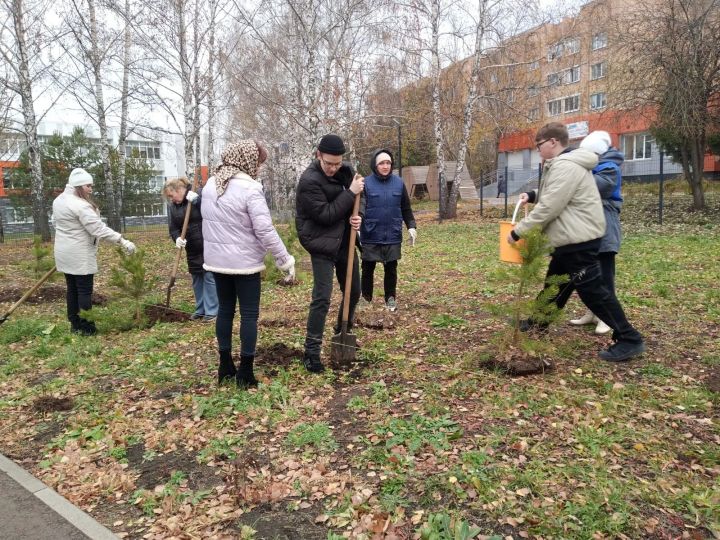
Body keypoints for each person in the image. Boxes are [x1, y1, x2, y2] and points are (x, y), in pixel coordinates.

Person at [508, 122, 645, 362]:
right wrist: (533, 195)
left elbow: (551, 206)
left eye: (539, 145)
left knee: (593, 292)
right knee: (555, 284)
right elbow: (558, 193)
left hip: (578, 239)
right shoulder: (565, 165)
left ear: (553, 142)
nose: (538, 150)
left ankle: (629, 338)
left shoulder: (566, 165)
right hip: (567, 238)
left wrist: (519, 231)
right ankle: (539, 322)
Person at [201, 140, 295, 388]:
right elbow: (264, 229)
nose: (260, 168)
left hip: (217, 263)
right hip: (244, 265)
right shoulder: (250, 188)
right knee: (249, 316)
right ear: (247, 160)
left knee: (225, 310)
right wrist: (284, 258)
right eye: (258, 163)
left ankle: (225, 365)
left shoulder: (211, 184)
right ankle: (245, 372)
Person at [295, 134, 365, 373]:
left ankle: (341, 331)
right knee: (322, 297)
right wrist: (350, 193)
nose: (334, 168)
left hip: (345, 240)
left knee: (354, 291)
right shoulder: (309, 181)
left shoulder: (346, 172)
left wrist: (358, 216)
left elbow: (359, 198)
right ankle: (311, 352)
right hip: (321, 242)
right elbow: (325, 215)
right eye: (329, 164)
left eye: (337, 163)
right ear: (318, 155)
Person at [52, 168, 136, 335]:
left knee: (72, 289)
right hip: (79, 252)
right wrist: (121, 240)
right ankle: (87, 327)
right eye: (88, 186)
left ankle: (75, 325)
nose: (91, 189)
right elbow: (98, 229)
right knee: (83, 290)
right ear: (78, 186)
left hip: (63, 250)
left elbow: (55, 223)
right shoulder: (80, 205)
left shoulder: (59, 200)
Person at [569, 130, 624, 335]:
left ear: (596, 153)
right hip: (590, 229)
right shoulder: (594, 167)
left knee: (605, 276)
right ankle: (592, 312)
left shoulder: (609, 169)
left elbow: (596, 188)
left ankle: (607, 318)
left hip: (606, 230)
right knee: (591, 275)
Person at [360, 149, 417, 312]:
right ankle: (366, 298)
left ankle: (390, 299)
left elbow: (406, 207)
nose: (385, 166)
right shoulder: (366, 183)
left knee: (391, 269)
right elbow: (361, 207)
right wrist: (358, 224)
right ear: (375, 165)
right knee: (367, 268)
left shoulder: (398, 183)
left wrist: (411, 225)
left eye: (388, 163)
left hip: (392, 233)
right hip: (371, 233)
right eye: (381, 163)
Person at [163, 177, 218, 322]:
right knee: (196, 277)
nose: (171, 199)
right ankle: (200, 309)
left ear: (179, 190)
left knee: (209, 277)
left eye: (171, 195)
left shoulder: (197, 193)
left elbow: (214, 211)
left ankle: (212, 311)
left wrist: (199, 202)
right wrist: (177, 239)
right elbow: (173, 228)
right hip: (191, 247)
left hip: (207, 242)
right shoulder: (173, 207)